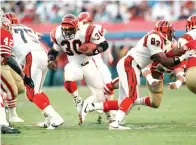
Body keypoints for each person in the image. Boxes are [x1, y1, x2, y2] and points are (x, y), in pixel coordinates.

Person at [80, 20, 195, 130]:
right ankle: (115, 124)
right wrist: (182, 58)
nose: (172, 34)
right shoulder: (154, 37)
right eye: (170, 31)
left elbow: (173, 51)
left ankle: (91, 106)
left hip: (133, 65)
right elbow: (163, 60)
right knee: (132, 97)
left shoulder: (164, 40)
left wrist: (186, 49)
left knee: (124, 103)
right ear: (164, 32)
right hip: (131, 63)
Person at [48, 14, 114, 124]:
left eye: (70, 29)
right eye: (65, 29)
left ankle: (109, 117)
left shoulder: (88, 30)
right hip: (74, 64)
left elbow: (104, 44)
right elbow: (54, 51)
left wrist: (94, 51)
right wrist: (50, 59)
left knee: (101, 95)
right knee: (68, 74)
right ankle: (78, 101)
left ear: (77, 27)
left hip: (89, 64)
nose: (67, 32)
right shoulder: (58, 34)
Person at [3, 13, 64, 129]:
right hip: (43, 54)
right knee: (38, 91)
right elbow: (37, 37)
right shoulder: (27, 28)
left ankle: (55, 117)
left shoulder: (6, 31)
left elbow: (8, 52)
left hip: (31, 57)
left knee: (31, 93)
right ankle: (49, 119)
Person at [0, 17, 33, 134]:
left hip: (4, 63)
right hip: (3, 64)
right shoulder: (3, 33)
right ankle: (3, 124)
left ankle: (4, 123)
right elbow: (7, 56)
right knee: (5, 94)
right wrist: (24, 75)